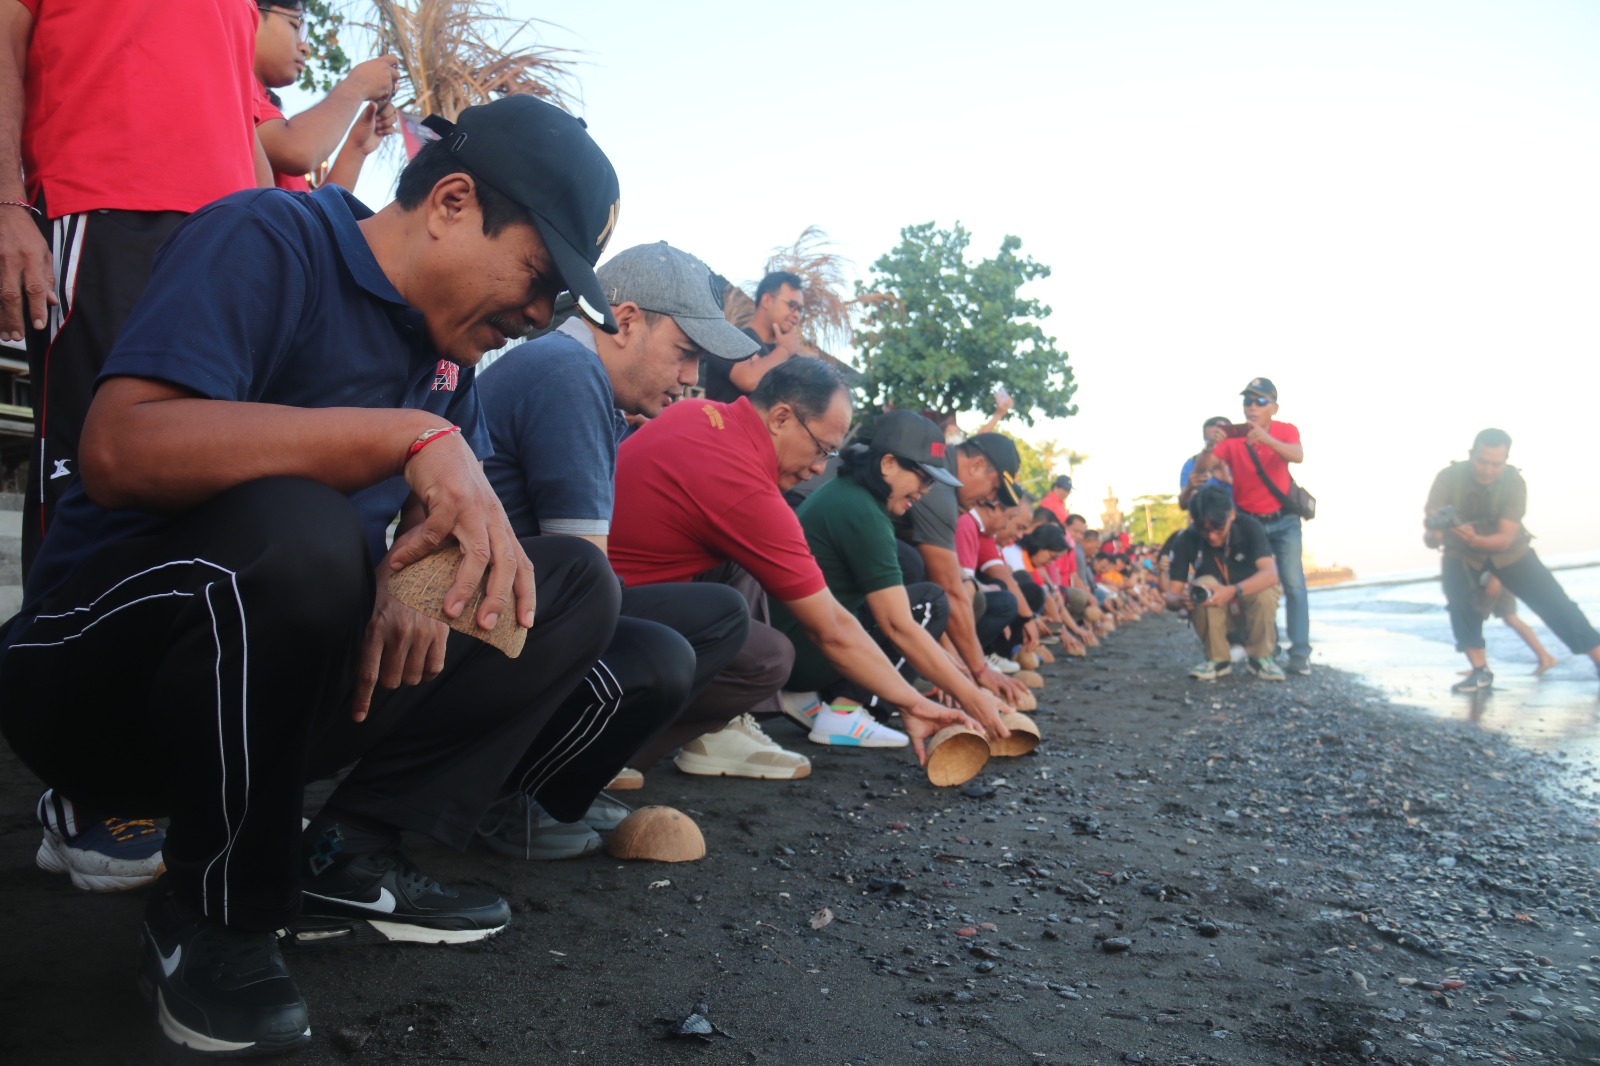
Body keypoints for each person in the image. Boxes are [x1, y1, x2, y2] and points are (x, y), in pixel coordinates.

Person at [0, 95, 626, 1053]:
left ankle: (350, 848)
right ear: (452, 202)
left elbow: (440, 518)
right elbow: (119, 448)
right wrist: (404, 440)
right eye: (540, 278)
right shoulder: (270, 234)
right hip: (95, 676)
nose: (540, 318)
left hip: (275, 687)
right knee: (302, 529)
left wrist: (427, 560)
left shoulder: (448, 358)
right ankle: (215, 915)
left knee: (573, 586)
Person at [3, 0, 272, 894]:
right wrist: (7, 199)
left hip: (232, 223)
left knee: (214, 500)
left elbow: (240, 99)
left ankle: (160, 763)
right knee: (95, 487)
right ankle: (80, 786)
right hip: (105, 199)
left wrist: (280, 236)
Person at [475, 240, 780, 860]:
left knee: (718, 613)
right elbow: (584, 578)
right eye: (685, 354)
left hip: (510, 604)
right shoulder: (568, 372)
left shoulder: (577, 374)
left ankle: (561, 785)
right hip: (482, 623)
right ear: (627, 320)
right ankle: (509, 794)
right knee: (666, 647)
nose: (692, 378)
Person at [608, 357, 999, 764]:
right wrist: (921, 702)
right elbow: (836, 629)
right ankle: (609, 754)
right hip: (605, 628)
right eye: (821, 448)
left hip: (602, 591)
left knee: (742, 575)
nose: (817, 467)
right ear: (780, 418)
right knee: (768, 658)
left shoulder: (697, 411)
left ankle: (716, 726)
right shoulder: (750, 488)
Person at [774, 410, 1009, 736]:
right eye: (924, 478)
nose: (926, 491)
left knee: (910, 569)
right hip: (802, 654)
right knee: (929, 604)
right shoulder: (863, 512)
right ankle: (846, 713)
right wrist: (972, 696)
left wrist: (955, 671)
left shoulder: (847, 491)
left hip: (791, 645)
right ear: (887, 464)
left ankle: (813, 698)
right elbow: (898, 625)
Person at [1424, 428, 1600, 693]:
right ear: (1472, 455)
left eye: (1496, 464)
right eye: (1482, 461)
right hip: (1461, 553)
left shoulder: (1514, 482)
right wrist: (1436, 532)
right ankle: (1480, 671)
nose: (1487, 470)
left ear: (1506, 460)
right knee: (1459, 603)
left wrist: (1474, 539)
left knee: (1555, 603)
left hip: (1511, 552)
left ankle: (1598, 658)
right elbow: (1433, 524)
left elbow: (1505, 538)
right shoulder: (1449, 477)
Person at [894, 432, 1033, 706]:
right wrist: (977, 671)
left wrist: (956, 667)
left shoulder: (941, 472)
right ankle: (855, 699)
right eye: (993, 489)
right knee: (913, 568)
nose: (989, 498)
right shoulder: (941, 487)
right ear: (977, 465)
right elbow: (949, 593)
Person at [1200, 377, 1309, 674]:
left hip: (1284, 521)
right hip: (1250, 524)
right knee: (1262, 584)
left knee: (1294, 584)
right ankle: (1267, 649)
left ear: (1273, 407)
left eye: (1260, 401)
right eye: (1247, 400)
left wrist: (1267, 439)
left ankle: (1300, 653)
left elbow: (1298, 455)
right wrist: (1211, 446)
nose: (1252, 406)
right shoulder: (1232, 438)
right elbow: (1205, 467)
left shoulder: (1286, 430)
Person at [252, 1, 399, 191]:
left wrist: (356, 147)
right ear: (250, 12)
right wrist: (357, 86)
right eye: (294, 25)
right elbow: (297, 150)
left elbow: (312, 217)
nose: (305, 48)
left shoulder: (262, 104)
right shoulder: (235, 86)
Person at [1166, 485, 1282, 681]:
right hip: (1215, 615)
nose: (1212, 536)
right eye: (1204, 530)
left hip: (1250, 610)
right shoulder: (1187, 538)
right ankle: (1217, 660)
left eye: (1218, 529)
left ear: (1232, 515)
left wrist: (1232, 591)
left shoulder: (1250, 528)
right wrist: (1180, 600)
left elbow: (1271, 575)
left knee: (1264, 589)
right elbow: (1171, 595)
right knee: (1203, 584)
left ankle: (1261, 658)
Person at [699, 269, 806, 402]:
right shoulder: (728, 338)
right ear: (767, 300)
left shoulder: (790, 358)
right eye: (792, 305)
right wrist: (785, 349)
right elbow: (749, 379)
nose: (796, 314)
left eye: (800, 309)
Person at [1178, 416, 1234, 509]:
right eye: (1210, 442)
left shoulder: (1243, 459)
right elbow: (1183, 505)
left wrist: (1229, 481)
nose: (1216, 446)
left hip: (1240, 520)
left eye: (1221, 441)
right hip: (1205, 521)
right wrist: (1189, 488)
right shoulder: (1192, 464)